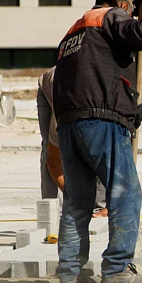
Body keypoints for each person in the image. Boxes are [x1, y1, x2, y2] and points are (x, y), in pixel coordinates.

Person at [53, 0, 142, 283]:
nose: (129, 17)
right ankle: (116, 271)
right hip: (100, 122)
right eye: (129, 11)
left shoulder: (73, 31)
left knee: (77, 204)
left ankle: (68, 278)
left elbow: (96, 75)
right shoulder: (109, 16)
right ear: (120, 3)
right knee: (125, 194)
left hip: (69, 125)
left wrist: (128, 110)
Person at [37, 67, 106, 218]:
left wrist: (112, 204)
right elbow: (54, 161)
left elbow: (114, 159)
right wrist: (75, 197)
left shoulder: (106, 115)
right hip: (53, 88)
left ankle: (98, 209)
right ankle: (52, 213)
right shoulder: (63, 115)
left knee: (101, 150)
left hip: (90, 94)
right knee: (50, 148)